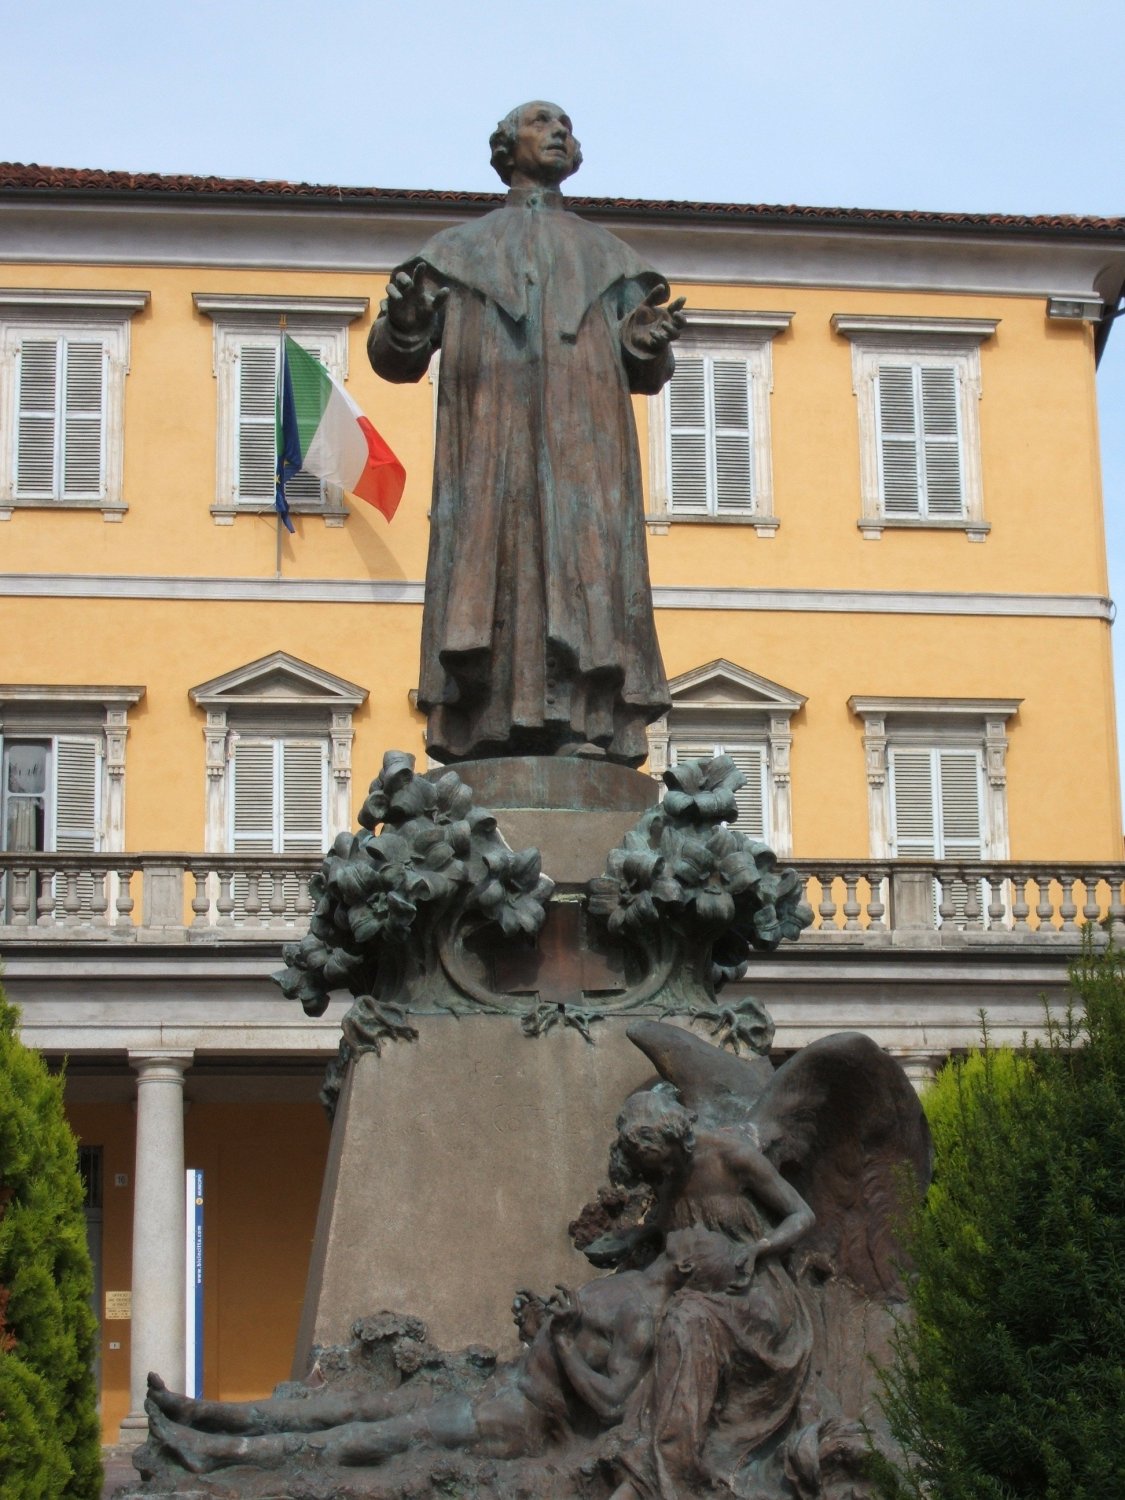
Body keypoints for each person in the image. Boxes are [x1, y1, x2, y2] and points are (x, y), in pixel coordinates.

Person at [368, 101, 686, 767]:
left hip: (584, 450)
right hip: (491, 445)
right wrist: (402, 319)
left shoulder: (609, 257)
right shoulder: (456, 252)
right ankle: (484, 726)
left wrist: (650, 343)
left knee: (589, 573)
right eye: (541, 122)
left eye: (566, 125)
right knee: (495, 571)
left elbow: (645, 364)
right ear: (505, 146)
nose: (559, 131)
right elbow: (396, 357)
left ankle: (589, 724)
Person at [144, 1228, 749, 1475]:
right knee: (348, 1406)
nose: (697, 1226)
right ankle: (204, 1414)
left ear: (690, 1263)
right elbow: (571, 1343)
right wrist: (543, 1329)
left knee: (367, 1437)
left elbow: (615, 1402)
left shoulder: (644, 1316)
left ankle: (217, 1454)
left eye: (704, 1238)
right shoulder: (632, 1278)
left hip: (516, 1420)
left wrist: (560, 1342)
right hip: (502, 1389)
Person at [604, 1088, 816, 1499]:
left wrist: (758, 1248)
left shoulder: (731, 1156)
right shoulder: (667, 1176)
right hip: (698, 1290)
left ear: (671, 1140)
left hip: (758, 1295)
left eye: (660, 1162)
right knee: (650, 1318)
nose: (659, 1175)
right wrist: (630, 1238)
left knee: (686, 1321)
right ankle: (657, 1462)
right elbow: (676, 1233)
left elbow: (802, 1214)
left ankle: (665, 1476)